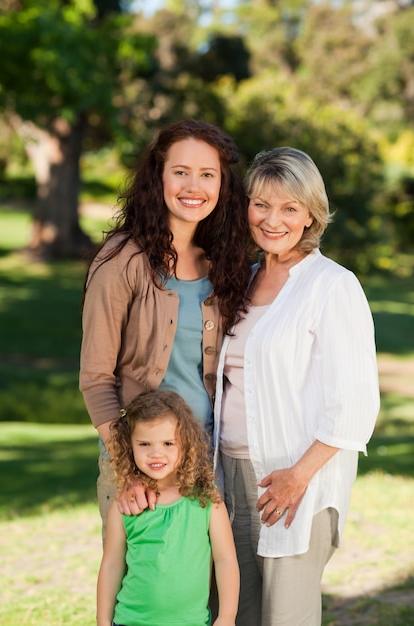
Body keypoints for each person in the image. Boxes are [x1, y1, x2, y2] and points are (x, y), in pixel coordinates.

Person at [213, 147, 380, 626]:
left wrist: (299, 476)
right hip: (229, 472)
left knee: (286, 617)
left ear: (310, 214)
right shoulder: (241, 281)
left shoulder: (333, 286)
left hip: (294, 481)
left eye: (289, 207)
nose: (272, 219)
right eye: (261, 204)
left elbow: (355, 403)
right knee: (235, 611)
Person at [79, 119, 250, 540]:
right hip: (141, 460)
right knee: (147, 592)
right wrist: (129, 469)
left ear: (222, 185)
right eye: (181, 172)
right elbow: (95, 379)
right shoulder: (121, 261)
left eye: (207, 175)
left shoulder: (223, 265)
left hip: (204, 459)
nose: (194, 186)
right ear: (158, 177)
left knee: (201, 592)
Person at [97, 389, 240, 626]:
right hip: (131, 621)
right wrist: (102, 620)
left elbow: (225, 560)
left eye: (168, 443)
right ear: (129, 445)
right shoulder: (127, 506)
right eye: (144, 443)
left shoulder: (207, 501)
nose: (156, 453)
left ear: (186, 444)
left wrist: (227, 617)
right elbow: (112, 565)